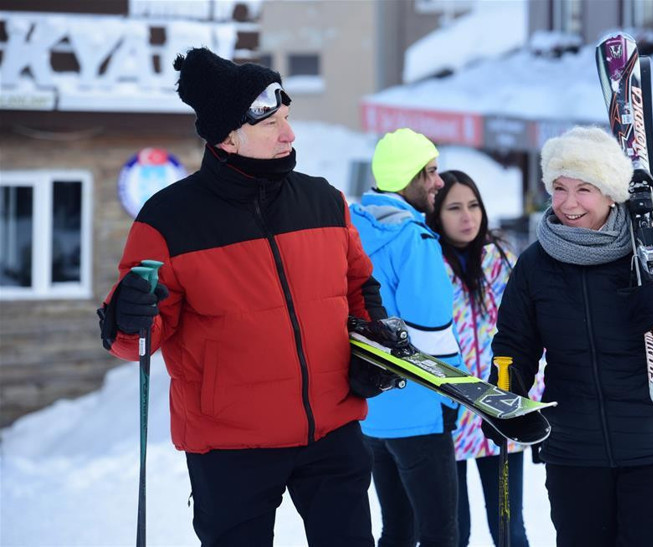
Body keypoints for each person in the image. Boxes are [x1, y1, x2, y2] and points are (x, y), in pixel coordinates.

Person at [96, 47, 398, 546]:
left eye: (288, 118)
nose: (289, 134)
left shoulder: (324, 201)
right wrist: (126, 316)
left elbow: (358, 287)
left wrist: (374, 341)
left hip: (332, 431)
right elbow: (138, 341)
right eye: (271, 124)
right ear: (228, 135)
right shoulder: (168, 220)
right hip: (231, 444)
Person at [481, 126, 653, 547]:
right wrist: (503, 397)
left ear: (612, 193)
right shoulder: (536, 264)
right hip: (576, 452)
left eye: (584, 189)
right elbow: (514, 346)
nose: (569, 203)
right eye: (559, 188)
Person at [350, 128, 463, 547]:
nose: (438, 183)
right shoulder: (413, 240)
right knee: (438, 533)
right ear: (406, 177)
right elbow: (432, 335)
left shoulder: (355, 230)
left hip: (374, 410)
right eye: (430, 173)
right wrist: (455, 396)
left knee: (395, 531)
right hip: (420, 407)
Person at [427, 170, 541, 547]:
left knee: (510, 532)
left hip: (499, 414)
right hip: (449, 419)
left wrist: (529, 403)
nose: (467, 217)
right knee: (453, 534)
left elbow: (527, 335)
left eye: (474, 205)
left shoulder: (503, 261)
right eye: (455, 208)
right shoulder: (427, 264)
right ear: (436, 214)